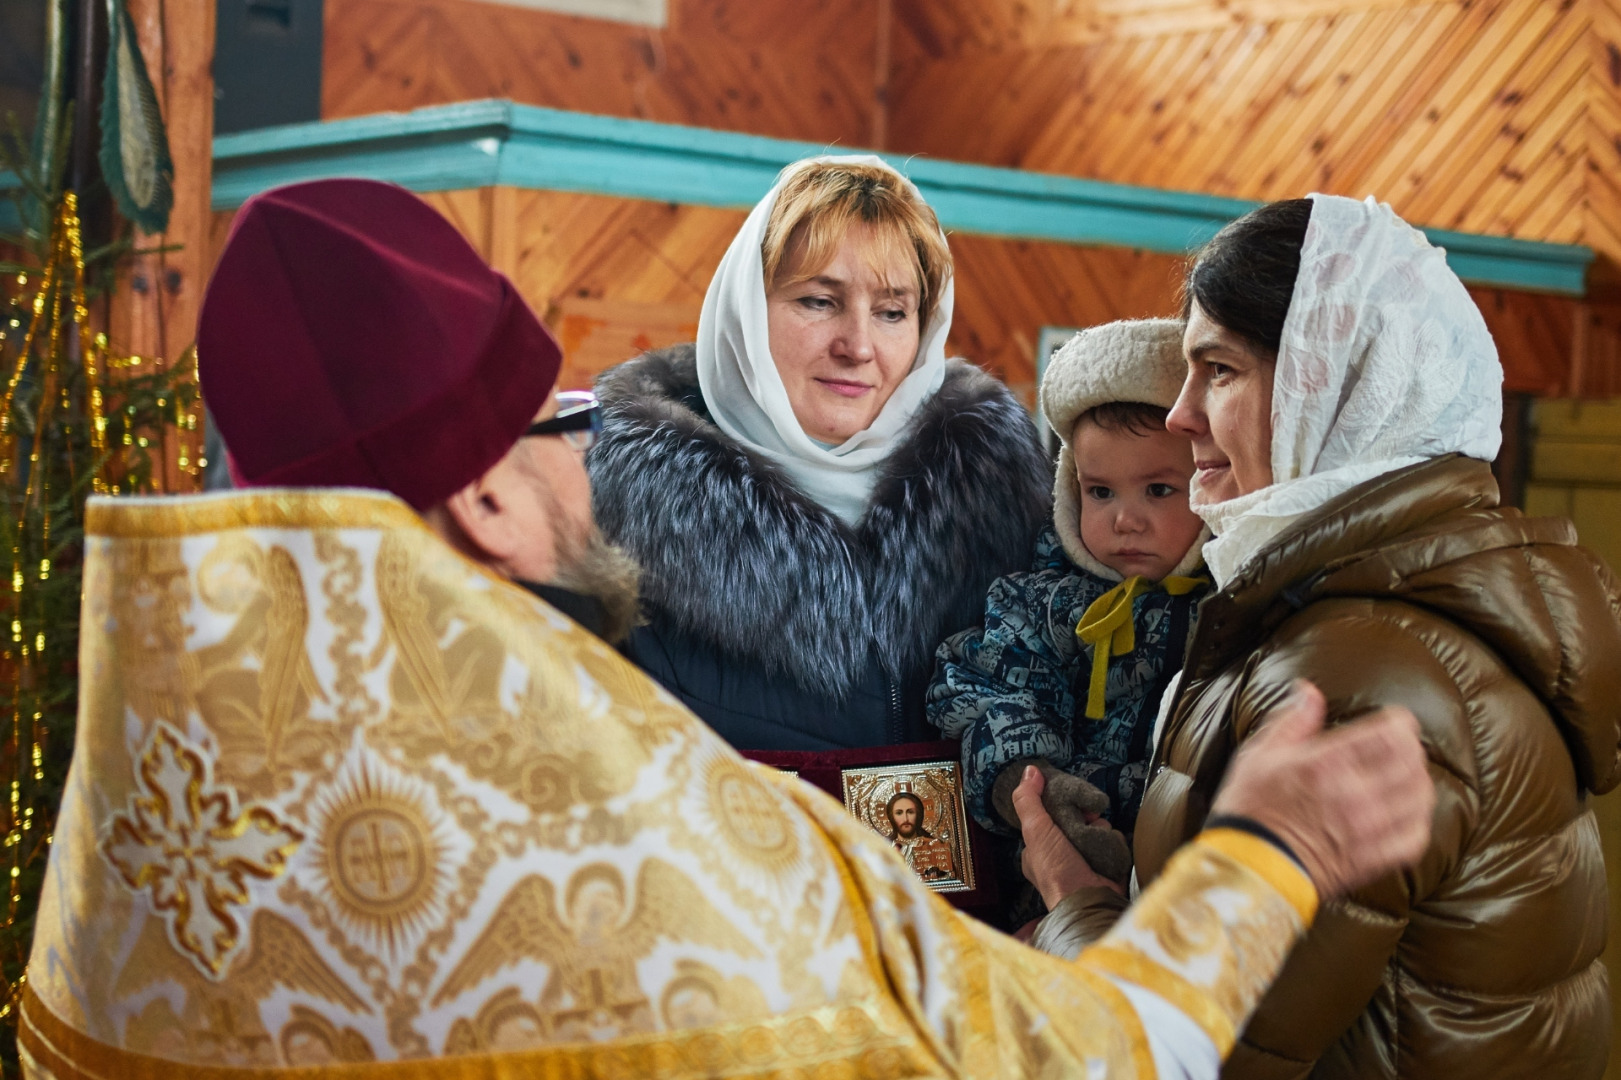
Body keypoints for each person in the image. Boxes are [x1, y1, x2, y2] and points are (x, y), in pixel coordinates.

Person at [21, 178, 1439, 1079]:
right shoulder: (642, 824)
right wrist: (1263, 856)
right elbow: (1067, 1061)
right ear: (489, 503)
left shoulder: (147, 795)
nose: (594, 451)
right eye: (559, 422)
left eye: (895, 309)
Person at [1036, 194, 1621, 1079]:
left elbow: (1203, 1055)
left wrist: (1072, 905)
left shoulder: (1362, 671)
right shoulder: (1348, 609)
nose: (1180, 414)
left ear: (1335, 384)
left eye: (1219, 370)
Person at [588, 155, 1052, 750]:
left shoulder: (1004, 502)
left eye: (891, 312)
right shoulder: (614, 509)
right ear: (748, 312)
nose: (858, 345)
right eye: (819, 301)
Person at [929, 319, 1207, 892]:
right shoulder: (1043, 601)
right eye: (1099, 491)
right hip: (1049, 859)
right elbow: (990, 692)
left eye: (1159, 490)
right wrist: (1035, 784)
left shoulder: (1231, 607)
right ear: (1068, 488)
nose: (1124, 520)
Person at [884, 790, 955, 880]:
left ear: (919, 814)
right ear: (891, 817)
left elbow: (947, 878)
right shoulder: (885, 848)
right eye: (899, 813)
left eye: (910, 812)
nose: (905, 819)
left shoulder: (933, 845)